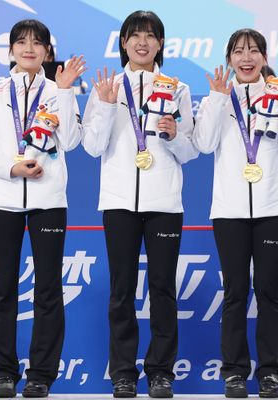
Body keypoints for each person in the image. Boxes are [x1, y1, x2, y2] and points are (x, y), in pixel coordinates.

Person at [0, 18, 85, 399]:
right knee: (3, 287)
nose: (29, 48)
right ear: (11, 50)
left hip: (48, 199)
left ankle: (41, 376)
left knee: (48, 288)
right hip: (3, 199)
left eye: (37, 43)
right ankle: (2, 373)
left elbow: (72, 140)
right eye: (21, 42)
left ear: (48, 51)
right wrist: (10, 168)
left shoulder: (59, 89)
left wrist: (65, 93)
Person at [82, 10, 198, 399]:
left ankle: (161, 372)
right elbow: (92, 146)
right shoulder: (107, 86)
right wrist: (103, 106)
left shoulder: (177, 89)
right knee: (121, 290)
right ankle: (123, 373)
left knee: (162, 289)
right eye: (135, 35)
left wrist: (174, 134)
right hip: (118, 202)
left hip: (164, 202)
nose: (142, 42)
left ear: (161, 44)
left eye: (150, 36)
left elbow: (191, 151)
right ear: (123, 43)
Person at [192, 28, 278, 399]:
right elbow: (203, 143)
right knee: (235, 292)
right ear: (229, 59)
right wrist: (215, 97)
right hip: (229, 210)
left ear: (265, 57)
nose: (246, 57)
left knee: (268, 291)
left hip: (273, 208)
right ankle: (234, 373)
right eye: (239, 51)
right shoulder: (218, 97)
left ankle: (270, 372)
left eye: (254, 50)